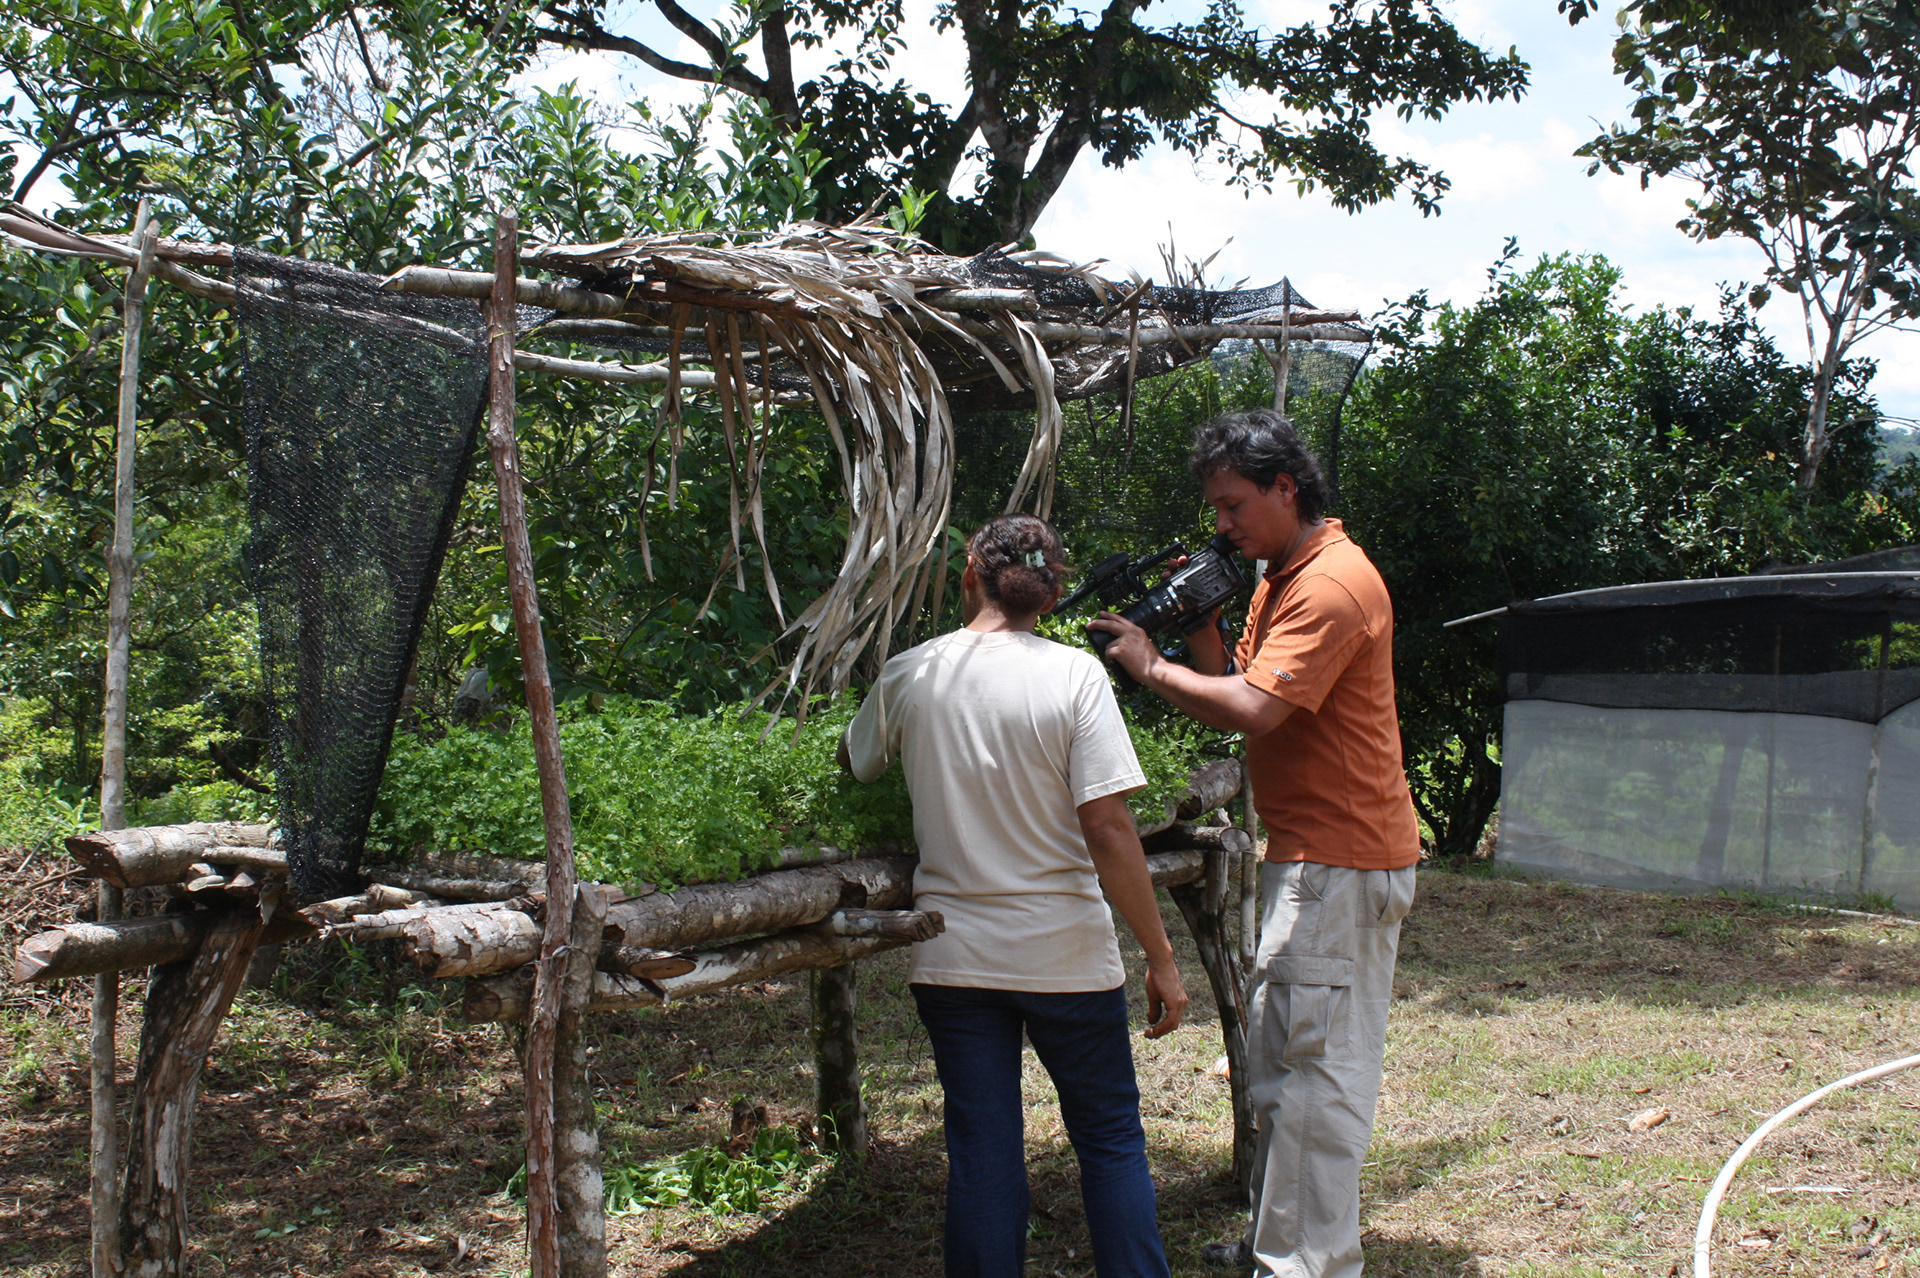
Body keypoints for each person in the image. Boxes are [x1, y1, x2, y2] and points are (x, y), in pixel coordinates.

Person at [1089, 409, 1420, 1278]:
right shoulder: (1283, 573)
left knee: (1315, 1080)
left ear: (1285, 488)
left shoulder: (1331, 584)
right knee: (1283, 1068)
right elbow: (1236, 679)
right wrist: (1199, 621)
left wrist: (1150, 665)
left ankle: (1305, 1263)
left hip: (1342, 863)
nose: (1222, 525)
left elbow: (1255, 712)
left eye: (1234, 505)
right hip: (1310, 856)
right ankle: (1283, 1244)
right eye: (1216, 508)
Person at [839, 512, 1190, 1278]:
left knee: (983, 1154)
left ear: (972, 569)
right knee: (1108, 1141)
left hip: (955, 957)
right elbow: (1108, 828)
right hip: (1066, 957)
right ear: (1053, 592)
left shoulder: (913, 672)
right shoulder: (1074, 676)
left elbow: (858, 763)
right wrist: (1160, 957)